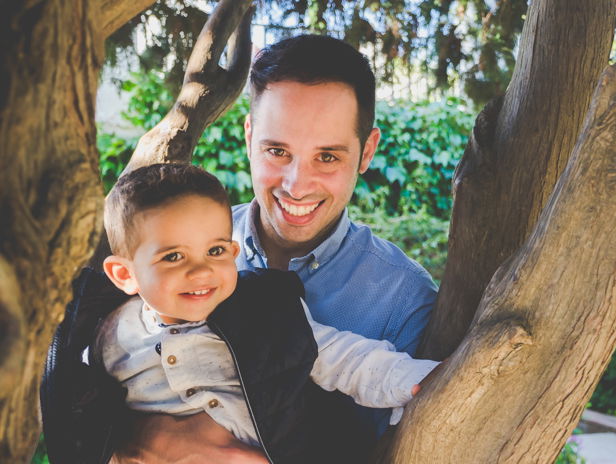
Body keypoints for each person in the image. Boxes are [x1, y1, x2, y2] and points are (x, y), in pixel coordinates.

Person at [44, 35, 439, 463]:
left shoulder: (404, 299)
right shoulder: (162, 247)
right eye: (277, 151)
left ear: (368, 151)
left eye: (327, 157)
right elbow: (75, 402)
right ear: (250, 137)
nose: (297, 185)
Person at [101, 163, 437, 459]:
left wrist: (412, 379)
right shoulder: (111, 337)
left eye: (215, 250)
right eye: (173, 257)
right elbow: (85, 414)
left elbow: (340, 357)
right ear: (125, 274)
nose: (202, 271)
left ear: (233, 252)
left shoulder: (263, 312)